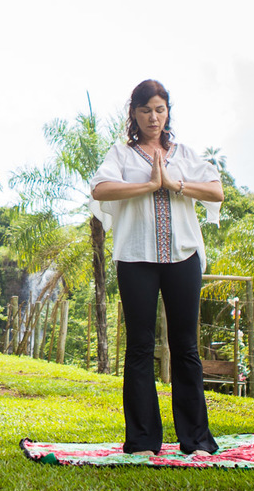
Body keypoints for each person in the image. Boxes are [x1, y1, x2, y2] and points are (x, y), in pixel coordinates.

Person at [90, 79, 224, 456]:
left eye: (160, 109)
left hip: (183, 257)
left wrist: (174, 183)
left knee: (185, 348)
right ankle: (144, 440)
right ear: (134, 113)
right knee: (139, 348)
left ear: (168, 113)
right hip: (136, 260)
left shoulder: (184, 154)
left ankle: (194, 440)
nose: (154, 116)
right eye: (146, 109)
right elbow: (100, 189)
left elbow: (216, 191)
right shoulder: (122, 153)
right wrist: (148, 186)